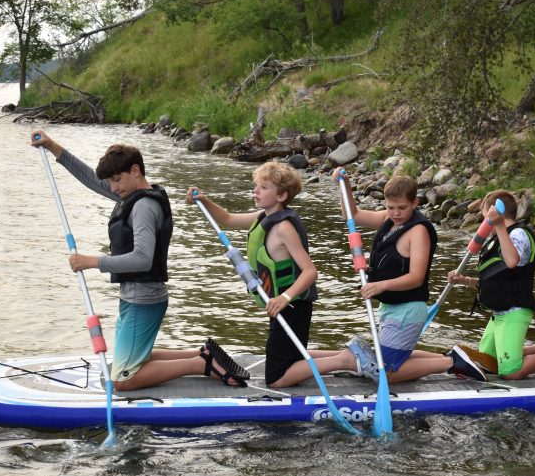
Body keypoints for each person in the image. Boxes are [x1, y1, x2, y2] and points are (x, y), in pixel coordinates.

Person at [30, 129, 248, 391]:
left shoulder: (144, 206)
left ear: (135, 170)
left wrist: (92, 261)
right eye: (111, 182)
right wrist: (53, 146)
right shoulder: (131, 194)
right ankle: (200, 353)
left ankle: (200, 364)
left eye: (117, 179)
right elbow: (90, 178)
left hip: (143, 298)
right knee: (131, 361)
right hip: (135, 295)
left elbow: (143, 259)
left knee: (122, 380)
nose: (113, 187)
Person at [305, 170, 489, 384]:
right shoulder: (388, 219)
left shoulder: (418, 231)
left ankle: (450, 364)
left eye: (402, 208)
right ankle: (450, 356)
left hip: (408, 310)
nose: (395, 213)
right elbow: (351, 216)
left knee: (385, 372)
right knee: (391, 357)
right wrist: (344, 185)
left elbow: (416, 278)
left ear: (415, 203)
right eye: (390, 207)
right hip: (391, 308)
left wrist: (380, 286)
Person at [188, 161, 320, 389]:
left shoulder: (284, 228)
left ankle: (346, 360)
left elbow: (310, 272)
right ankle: (344, 353)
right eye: (256, 186)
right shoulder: (263, 217)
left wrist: (284, 298)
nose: (256, 191)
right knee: (292, 354)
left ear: (282, 196)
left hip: (292, 306)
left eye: (264, 187)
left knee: (276, 378)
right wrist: (203, 200)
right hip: (280, 305)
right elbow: (227, 219)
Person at [447, 190, 535, 380]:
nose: (484, 222)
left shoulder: (519, 234)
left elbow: (512, 261)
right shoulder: (498, 238)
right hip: (498, 315)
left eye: (485, 216)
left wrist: (498, 224)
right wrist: (465, 280)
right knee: (488, 362)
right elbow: (497, 282)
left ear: (496, 213)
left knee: (510, 372)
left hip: (515, 312)